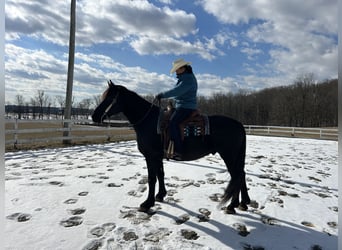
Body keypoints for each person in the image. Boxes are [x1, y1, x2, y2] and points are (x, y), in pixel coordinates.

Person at [156, 59, 198, 160]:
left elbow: (177, 91)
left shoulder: (188, 79)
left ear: (183, 68)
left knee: (173, 123)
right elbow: (178, 93)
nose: (176, 72)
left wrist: (163, 95)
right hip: (181, 105)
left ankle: (179, 151)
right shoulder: (184, 78)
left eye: (177, 69)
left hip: (186, 107)